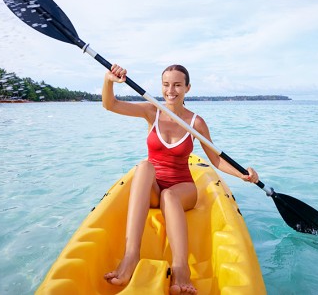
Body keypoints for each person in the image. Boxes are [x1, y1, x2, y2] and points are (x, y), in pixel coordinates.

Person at [102, 63, 259, 294]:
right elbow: (110, 104)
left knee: (170, 194)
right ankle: (130, 256)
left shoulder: (195, 122)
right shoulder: (151, 111)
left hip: (182, 190)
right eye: (166, 84)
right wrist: (108, 80)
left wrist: (242, 174)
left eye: (177, 85)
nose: (171, 90)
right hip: (154, 189)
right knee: (144, 166)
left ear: (187, 88)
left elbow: (215, 160)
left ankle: (181, 268)